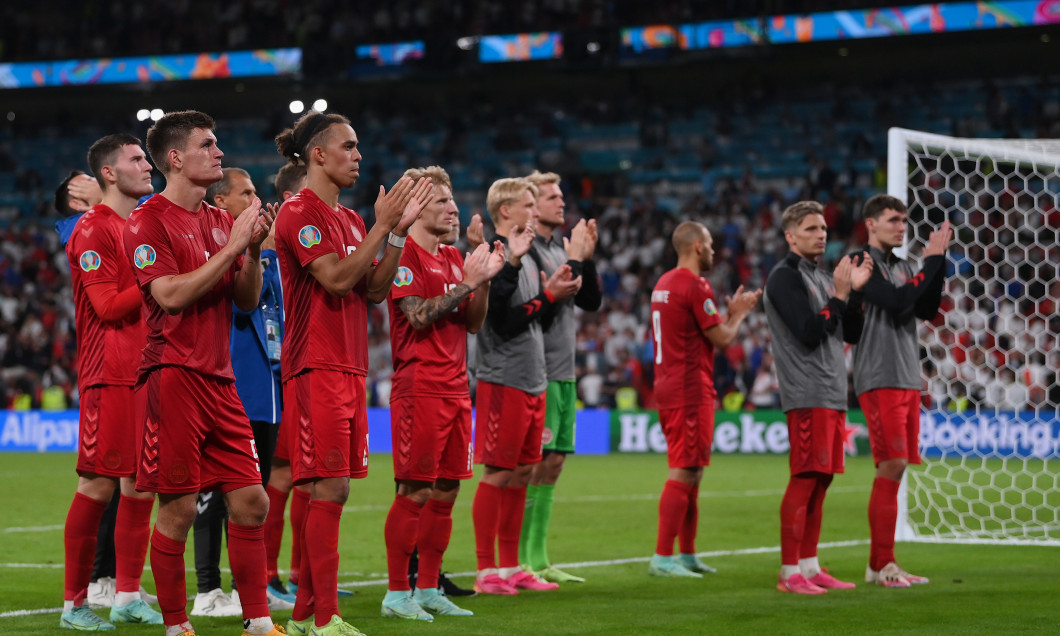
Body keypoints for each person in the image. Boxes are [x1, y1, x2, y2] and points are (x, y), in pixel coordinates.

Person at [123, 110, 282, 636]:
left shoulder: (219, 221)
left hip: (220, 380)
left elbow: (247, 299)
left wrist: (253, 251)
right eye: (207, 145)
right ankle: (176, 625)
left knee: (253, 500)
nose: (219, 152)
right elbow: (167, 296)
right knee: (179, 508)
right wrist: (236, 247)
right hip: (173, 377)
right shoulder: (148, 220)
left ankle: (258, 622)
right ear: (176, 157)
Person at [273, 110, 432, 636]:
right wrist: (384, 224)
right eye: (349, 146)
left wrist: (395, 235)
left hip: (349, 366)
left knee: (334, 490)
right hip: (314, 365)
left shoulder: (348, 219)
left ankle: (302, 619)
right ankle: (323, 618)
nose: (359, 155)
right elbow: (338, 281)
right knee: (330, 489)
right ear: (319, 154)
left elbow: (373, 289)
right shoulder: (299, 212)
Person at [381, 165, 506, 620]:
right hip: (420, 389)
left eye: (453, 202)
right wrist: (469, 283)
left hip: (456, 389)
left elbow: (473, 323)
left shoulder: (454, 258)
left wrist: (483, 278)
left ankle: (431, 587)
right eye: (441, 202)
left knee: (447, 492)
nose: (453, 209)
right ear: (416, 210)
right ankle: (398, 593)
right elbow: (416, 316)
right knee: (414, 492)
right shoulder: (404, 256)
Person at [60, 134, 162, 630]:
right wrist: (158, 278)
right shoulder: (92, 229)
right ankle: (74, 604)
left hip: (145, 372)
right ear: (108, 172)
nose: (147, 165)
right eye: (136, 159)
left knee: (140, 489)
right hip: (109, 374)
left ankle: (125, 596)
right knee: (98, 485)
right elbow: (105, 307)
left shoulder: (141, 225)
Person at [186, 168, 295, 617]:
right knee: (215, 491)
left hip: (268, 389)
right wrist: (250, 251)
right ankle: (208, 590)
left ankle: (241, 586)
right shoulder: (215, 249)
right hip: (232, 387)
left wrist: (261, 252)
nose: (257, 199)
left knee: (253, 496)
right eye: (246, 193)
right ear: (221, 202)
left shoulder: (262, 254)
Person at [470, 177, 581, 595]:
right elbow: (501, 319)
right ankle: (486, 571)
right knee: (498, 474)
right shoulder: (497, 255)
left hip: (534, 379)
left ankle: (512, 565)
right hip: (504, 379)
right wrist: (548, 296)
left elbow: (535, 316)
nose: (535, 211)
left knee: (521, 474)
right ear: (505, 212)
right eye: (529, 204)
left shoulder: (530, 256)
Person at [763, 200, 873, 595]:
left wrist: (854, 294)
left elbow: (852, 333)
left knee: (822, 481)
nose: (822, 234)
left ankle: (809, 566)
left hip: (830, 391)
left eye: (823, 228)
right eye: (811, 228)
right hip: (806, 390)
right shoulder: (784, 277)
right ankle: (788, 571)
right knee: (805, 477)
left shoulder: (824, 278)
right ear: (791, 236)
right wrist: (841, 296)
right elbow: (809, 331)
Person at [647, 221, 761, 578]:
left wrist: (726, 316)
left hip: (668, 383)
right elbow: (723, 341)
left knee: (692, 470)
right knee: (684, 469)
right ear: (697, 245)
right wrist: (739, 314)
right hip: (689, 387)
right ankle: (663, 557)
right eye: (709, 243)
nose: (713, 249)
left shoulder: (664, 282)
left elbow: (700, 332)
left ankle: (687, 554)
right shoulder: (695, 286)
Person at [852, 194, 948, 588]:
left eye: (904, 220)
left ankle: (882, 564)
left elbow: (925, 307)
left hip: (906, 373)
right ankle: (881, 564)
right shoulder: (862, 263)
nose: (901, 226)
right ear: (871, 224)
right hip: (879, 372)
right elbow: (894, 301)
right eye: (893, 219)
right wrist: (929, 263)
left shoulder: (904, 265)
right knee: (890, 463)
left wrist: (935, 262)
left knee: (897, 465)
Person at [518, 170, 602, 583]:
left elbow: (591, 301)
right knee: (535, 465)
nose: (561, 203)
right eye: (552, 197)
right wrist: (574, 261)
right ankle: (522, 561)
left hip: (564, 371)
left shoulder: (555, 249)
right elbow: (541, 306)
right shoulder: (527, 251)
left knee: (554, 465)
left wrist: (584, 257)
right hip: (540, 371)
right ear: (532, 205)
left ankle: (539, 557)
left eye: (560, 195)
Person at [261, 162, 316, 601]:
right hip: (275, 378)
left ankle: (299, 573)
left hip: (300, 370)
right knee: (281, 475)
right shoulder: (268, 255)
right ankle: (269, 575)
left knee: (306, 475)